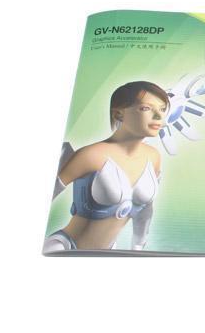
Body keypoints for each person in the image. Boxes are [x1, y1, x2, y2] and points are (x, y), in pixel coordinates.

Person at [43, 80, 167, 252]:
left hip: (109, 252)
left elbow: (145, 210)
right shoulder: (90, 156)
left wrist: (137, 248)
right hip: (63, 247)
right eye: (146, 108)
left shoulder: (153, 157)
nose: (159, 116)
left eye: (162, 109)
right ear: (118, 114)